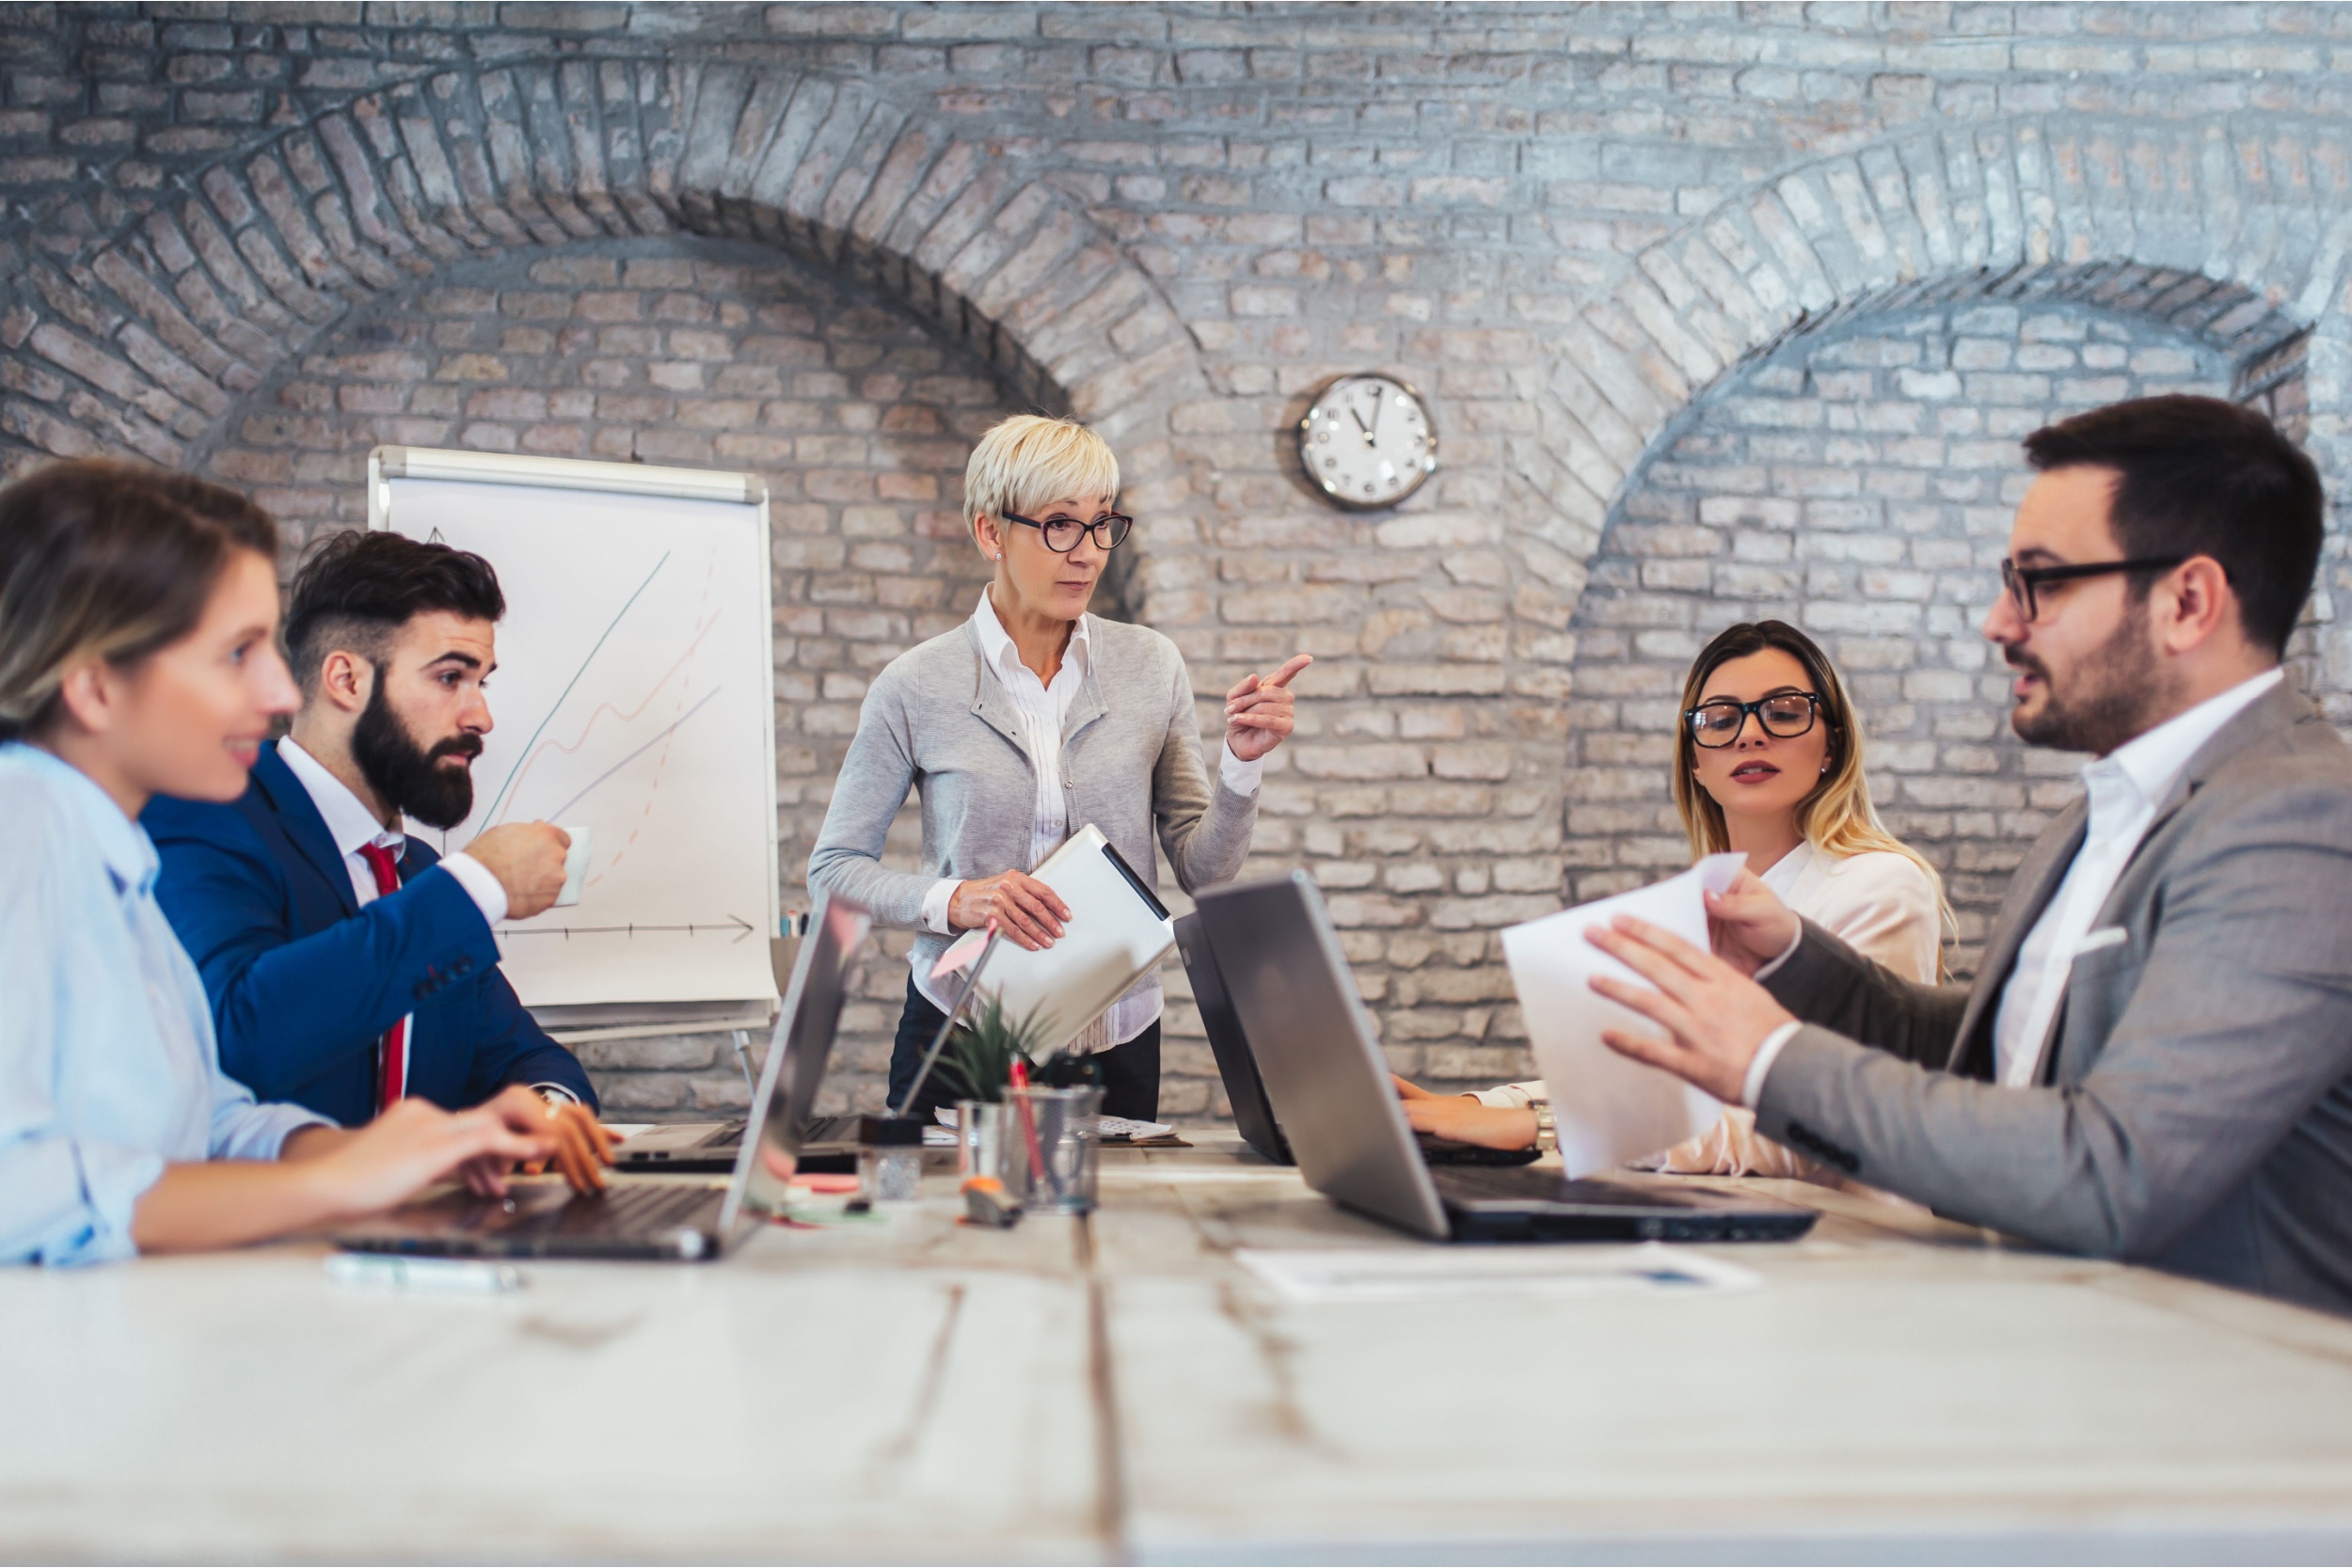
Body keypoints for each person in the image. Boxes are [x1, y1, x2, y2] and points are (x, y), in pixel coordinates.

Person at [1586, 395, 2352, 1315]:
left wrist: (1769, 1060)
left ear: (2186, 602)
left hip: (2222, 1389)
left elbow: (2111, 1172)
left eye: (2041, 582)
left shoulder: (2300, 820)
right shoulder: (2092, 819)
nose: (1998, 620)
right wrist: (1792, 954)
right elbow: (2002, 1055)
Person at [0, 459, 601, 1266]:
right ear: (97, 686)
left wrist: (393, 1153)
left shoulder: (113, 857)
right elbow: (26, 1188)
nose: (281, 691)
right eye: (235, 652)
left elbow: (209, 1117)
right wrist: (340, 1187)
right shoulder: (25, 821)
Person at [808, 414, 1309, 1120]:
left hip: (1116, 1035)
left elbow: (1206, 870)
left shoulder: (1151, 664)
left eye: (1102, 524)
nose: (1088, 553)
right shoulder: (916, 684)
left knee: (1105, 1232)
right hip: (961, 1034)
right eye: (1059, 525)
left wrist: (1241, 767)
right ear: (991, 533)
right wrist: (958, 899)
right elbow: (832, 870)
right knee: (950, 1230)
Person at [1393, 621, 1947, 1175]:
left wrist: (1542, 1129)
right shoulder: (1706, 902)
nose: (1750, 736)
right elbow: (1648, 1089)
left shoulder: (1881, 884)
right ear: (1696, 765)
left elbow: (1830, 1126)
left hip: (1842, 1237)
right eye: (1720, 720)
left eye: (1783, 711)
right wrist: (1471, 1107)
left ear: (1833, 742)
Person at [144, 531, 608, 1158]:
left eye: (482, 683)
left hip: (424, 1239)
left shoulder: (418, 873)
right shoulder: (212, 812)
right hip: (270, 1240)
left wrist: (548, 1114)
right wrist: (479, 886)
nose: (480, 717)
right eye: (450, 677)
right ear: (346, 679)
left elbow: (525, 1057)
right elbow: (239, 1038)